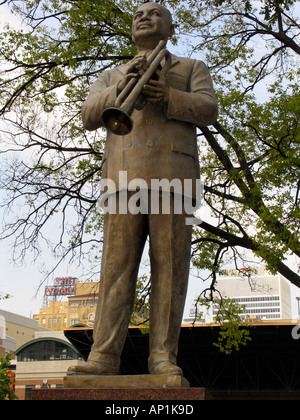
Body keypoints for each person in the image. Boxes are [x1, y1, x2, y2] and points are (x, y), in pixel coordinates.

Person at [68, 2, 218, 377]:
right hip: (122, 178)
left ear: (169, 26)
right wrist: (120, 87)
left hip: (173, 176)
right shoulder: (112, 73)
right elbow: (88, 114)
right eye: (138, 14)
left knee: (170, 270)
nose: (144, 17)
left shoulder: (190, 67)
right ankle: (102, 357)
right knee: (115, 269)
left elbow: (209, 109)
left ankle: (162, 357)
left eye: (154, 13)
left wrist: (169, 96)